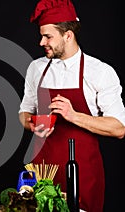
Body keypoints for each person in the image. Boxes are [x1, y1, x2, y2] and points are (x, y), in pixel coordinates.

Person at [18, 0, 125, 211]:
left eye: (48, 36)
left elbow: (119, 128)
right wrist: (31, 123)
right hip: (41, 171)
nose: (41, 42)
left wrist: (73, 115)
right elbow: (24, 112)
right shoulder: (36, 68)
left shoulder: (100, 72)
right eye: (41, 35)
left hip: (82, 173)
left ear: (68, 35)